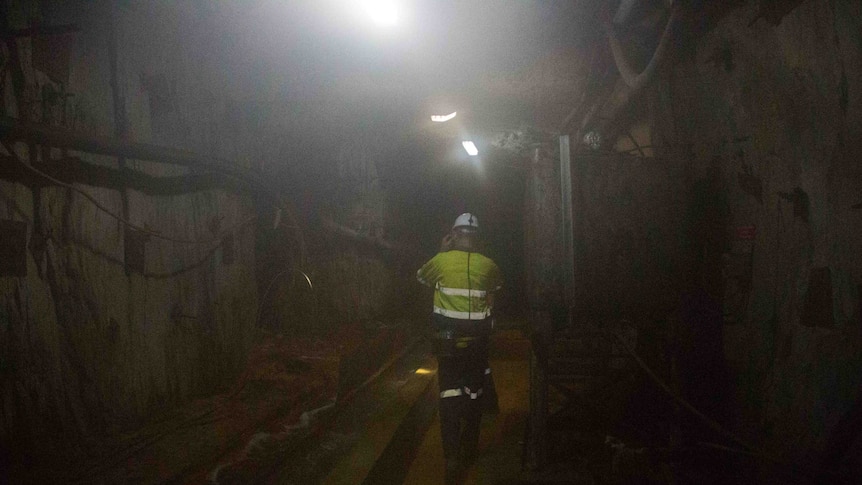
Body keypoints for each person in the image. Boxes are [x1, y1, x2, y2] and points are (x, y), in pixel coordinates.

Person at [416, 212, 502, 483]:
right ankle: (470, 448)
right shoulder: (488, 265)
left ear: (453, 235)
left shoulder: (440, 261)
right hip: (477, 346)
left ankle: (452, 457)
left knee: (449, 397)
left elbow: (421, 278)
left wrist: (442, 251)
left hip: (449, 346)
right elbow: (497, 286)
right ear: (477, 239)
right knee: (474, 394)